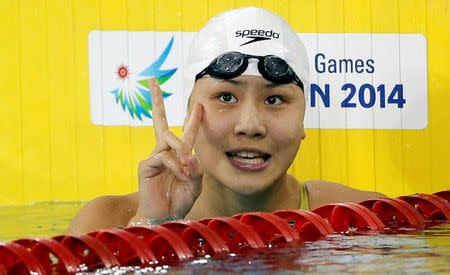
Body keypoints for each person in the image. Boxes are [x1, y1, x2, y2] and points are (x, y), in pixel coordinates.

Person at [68, 7, 384, 235]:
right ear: (188, 111)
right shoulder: (107, 224)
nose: (250, 124)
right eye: (226, 97)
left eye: (275, 99)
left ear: (303, 120)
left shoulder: (359, 219)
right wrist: (151, 227)